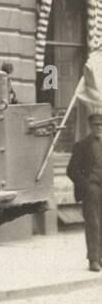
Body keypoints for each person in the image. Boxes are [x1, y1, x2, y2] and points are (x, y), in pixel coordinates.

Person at [66, 111, 102, 272]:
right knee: (93, 224)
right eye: (96, 125)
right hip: (92, 189)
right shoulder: (82, 145)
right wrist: (86, 186)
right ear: (90, 126)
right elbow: (71, 170)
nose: (99, 128)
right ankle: (94, 259)